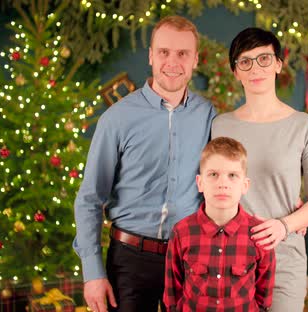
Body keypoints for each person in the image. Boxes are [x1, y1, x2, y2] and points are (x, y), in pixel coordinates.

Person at [73, 16, 216, 312]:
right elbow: (89, 199)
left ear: (195, 60)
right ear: (151, 56)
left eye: (182, 54)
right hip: (129, 260)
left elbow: (228, 174)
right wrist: (93, 273)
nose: (172, 62)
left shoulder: (208, 115)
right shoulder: (117, 118)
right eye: (164, 52)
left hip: (190, 258)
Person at [211, 27, 308, 311]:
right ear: (235, 71)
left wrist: (286, 224)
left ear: (278, 64)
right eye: (245, 61)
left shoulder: (304, 126)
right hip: (230, 259)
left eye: (264, 58)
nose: (255, 68)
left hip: (284, 258)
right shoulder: (220, 125)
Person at [163, 137, 275, 312]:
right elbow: (172, 292)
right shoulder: (181, 232)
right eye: (213, 174)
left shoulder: (259, 234)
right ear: (200, 183)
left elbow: (264, 296)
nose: (222, 184)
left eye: (232, 175)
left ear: (245, 185)